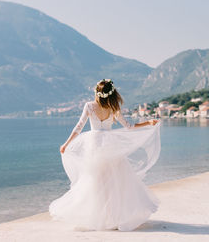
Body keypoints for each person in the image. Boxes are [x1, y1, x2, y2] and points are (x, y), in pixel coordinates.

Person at [49, 79, 161, 231]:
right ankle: (114, 217)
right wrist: (148, 123)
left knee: (96, 183)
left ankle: (99, 218)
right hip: (110, 146)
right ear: (112, 93)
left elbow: (79, 127)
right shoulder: (114, 107)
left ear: (97, 92)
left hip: (94, 146)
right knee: (115, 183)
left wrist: (66, 144)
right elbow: (129, 127)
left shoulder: (89, 106)